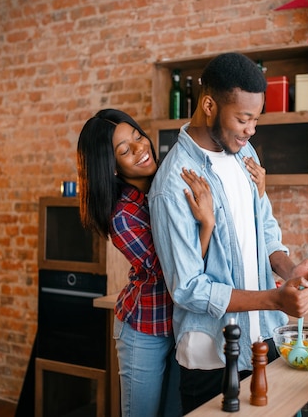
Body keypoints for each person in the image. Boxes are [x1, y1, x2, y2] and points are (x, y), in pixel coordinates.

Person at [148, 53, 308, 414]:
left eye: (256, 119)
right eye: (243, 119)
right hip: (212, 356)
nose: (251, 130)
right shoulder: (173, 183)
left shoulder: (244, 153)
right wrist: (275, 299)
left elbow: (266, 230)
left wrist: (290, 272)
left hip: (264, 337)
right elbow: (188, 289)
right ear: (209, 105)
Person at [76, 109, 219, 417]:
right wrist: (206, 224)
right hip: (145, 329)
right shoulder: (122, 216)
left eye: (138, 136)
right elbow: (175, 270)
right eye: (125, 150)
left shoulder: (166, 184)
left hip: (180, 324)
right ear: (111, 167)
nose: (141, 149)